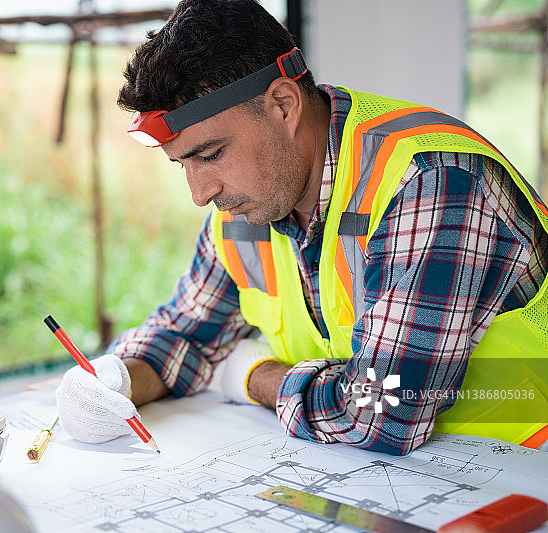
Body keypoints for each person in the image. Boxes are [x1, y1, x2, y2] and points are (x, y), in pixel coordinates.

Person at [55, 0, 548, 455]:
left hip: (524, 471)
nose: (199, 192)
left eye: (210, 155)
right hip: (397, 483)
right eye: (182, 164)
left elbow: (380, 411)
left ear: (284, 105)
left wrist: (251, 375)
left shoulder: (428, 180)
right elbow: (185, 338)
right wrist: (113, 380)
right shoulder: (249, 206)